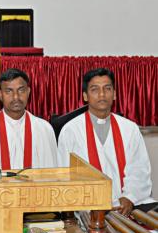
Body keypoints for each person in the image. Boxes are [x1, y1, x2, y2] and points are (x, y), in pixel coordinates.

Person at [58, 68, 155, 215]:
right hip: (87, 211)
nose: (102, 94)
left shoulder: (129, 128)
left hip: (127, 208)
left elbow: (139, 169)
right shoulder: (70, 131)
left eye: (107, 88)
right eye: (95, 89)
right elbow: (65, 175)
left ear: (115, 94)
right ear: (85, 95)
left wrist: (129, 197)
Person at [0, 68, 58, 169]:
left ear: (28, 92)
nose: (16, 97)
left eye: (21, 90)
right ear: (0, 94)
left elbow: (53, 173)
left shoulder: (44, 129)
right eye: (9, 91)